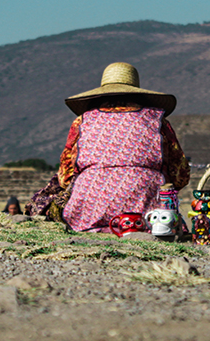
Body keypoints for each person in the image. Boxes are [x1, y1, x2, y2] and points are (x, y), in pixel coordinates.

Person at [26, 62, 189, 233]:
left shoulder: (82, 121)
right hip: (145, 196)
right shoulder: (157, 120)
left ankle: (93, 227)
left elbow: (66, 173)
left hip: (90, 196)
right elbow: (180, 172)